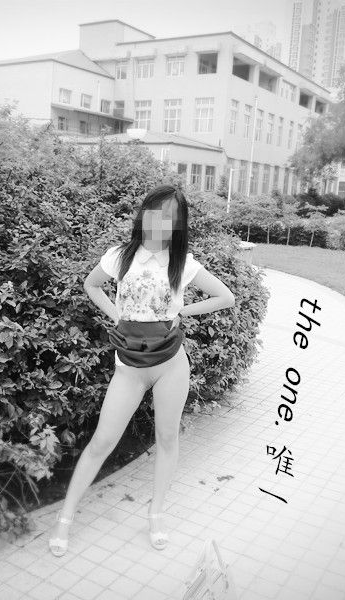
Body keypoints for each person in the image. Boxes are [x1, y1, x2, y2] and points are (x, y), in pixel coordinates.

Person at [48, 184, 235, 557]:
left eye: (171, 217)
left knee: (167, 438)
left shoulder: (182, 263)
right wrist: (116, 314)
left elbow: (225, 296)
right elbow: (91, 285)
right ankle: (64, 518)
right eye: (157, 213)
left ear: (178, 225)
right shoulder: (120, 256)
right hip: (129, 366)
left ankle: (156, 513)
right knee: (102, 441)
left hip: (170, 364)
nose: (162, 222)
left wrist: (182, 312)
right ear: (145, 214)